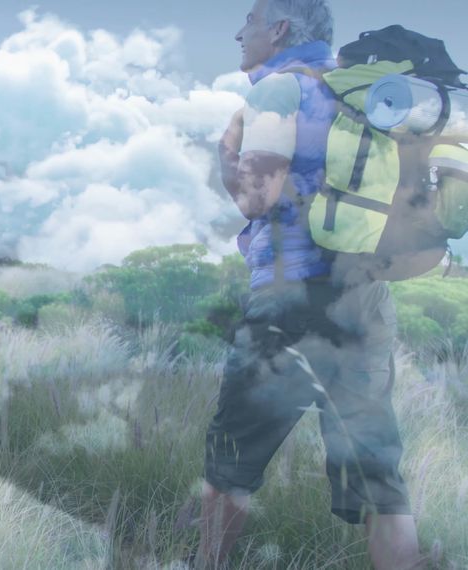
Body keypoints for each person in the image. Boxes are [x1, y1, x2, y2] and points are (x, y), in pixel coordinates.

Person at [199, 1, 423, 568]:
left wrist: (225, 155)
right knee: (379, 480)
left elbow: (256, 197)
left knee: (232, 462)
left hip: (288, 298)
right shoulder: (370, 98)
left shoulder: (280, 90)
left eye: (248, 21)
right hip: (365, 300)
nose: (237, 33)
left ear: (278, 30)